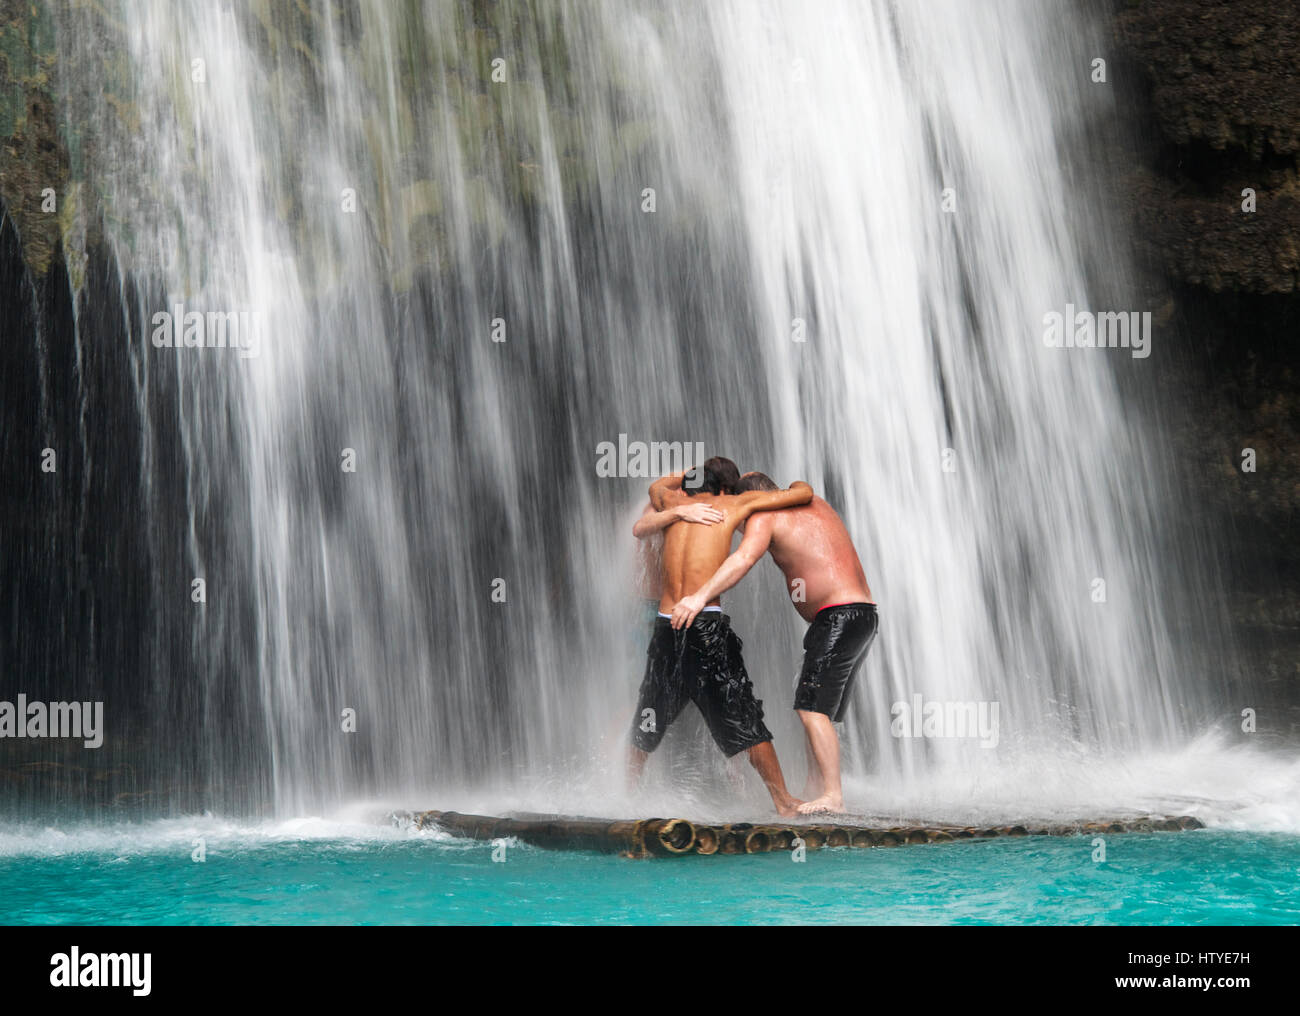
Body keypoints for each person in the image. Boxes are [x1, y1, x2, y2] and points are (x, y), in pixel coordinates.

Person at [670, 471, 876, 815]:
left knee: (810, 709)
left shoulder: (763, 516)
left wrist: (697, 597)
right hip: (864, 615)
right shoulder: (814, 502)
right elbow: (800, 487)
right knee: (820, 711)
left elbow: (742, 559)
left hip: (837, 616)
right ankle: (816, 789)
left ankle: (833, 796)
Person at [628, 458, 812, 817]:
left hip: (667, 623)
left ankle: (627, 792)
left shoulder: (674, 505)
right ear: (725, 489)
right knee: (741, 711)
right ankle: (784, 802)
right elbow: (802, 493)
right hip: (703, 622)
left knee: (649, 709)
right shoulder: (735, 503)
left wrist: (685, 481)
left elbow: (656, 488)